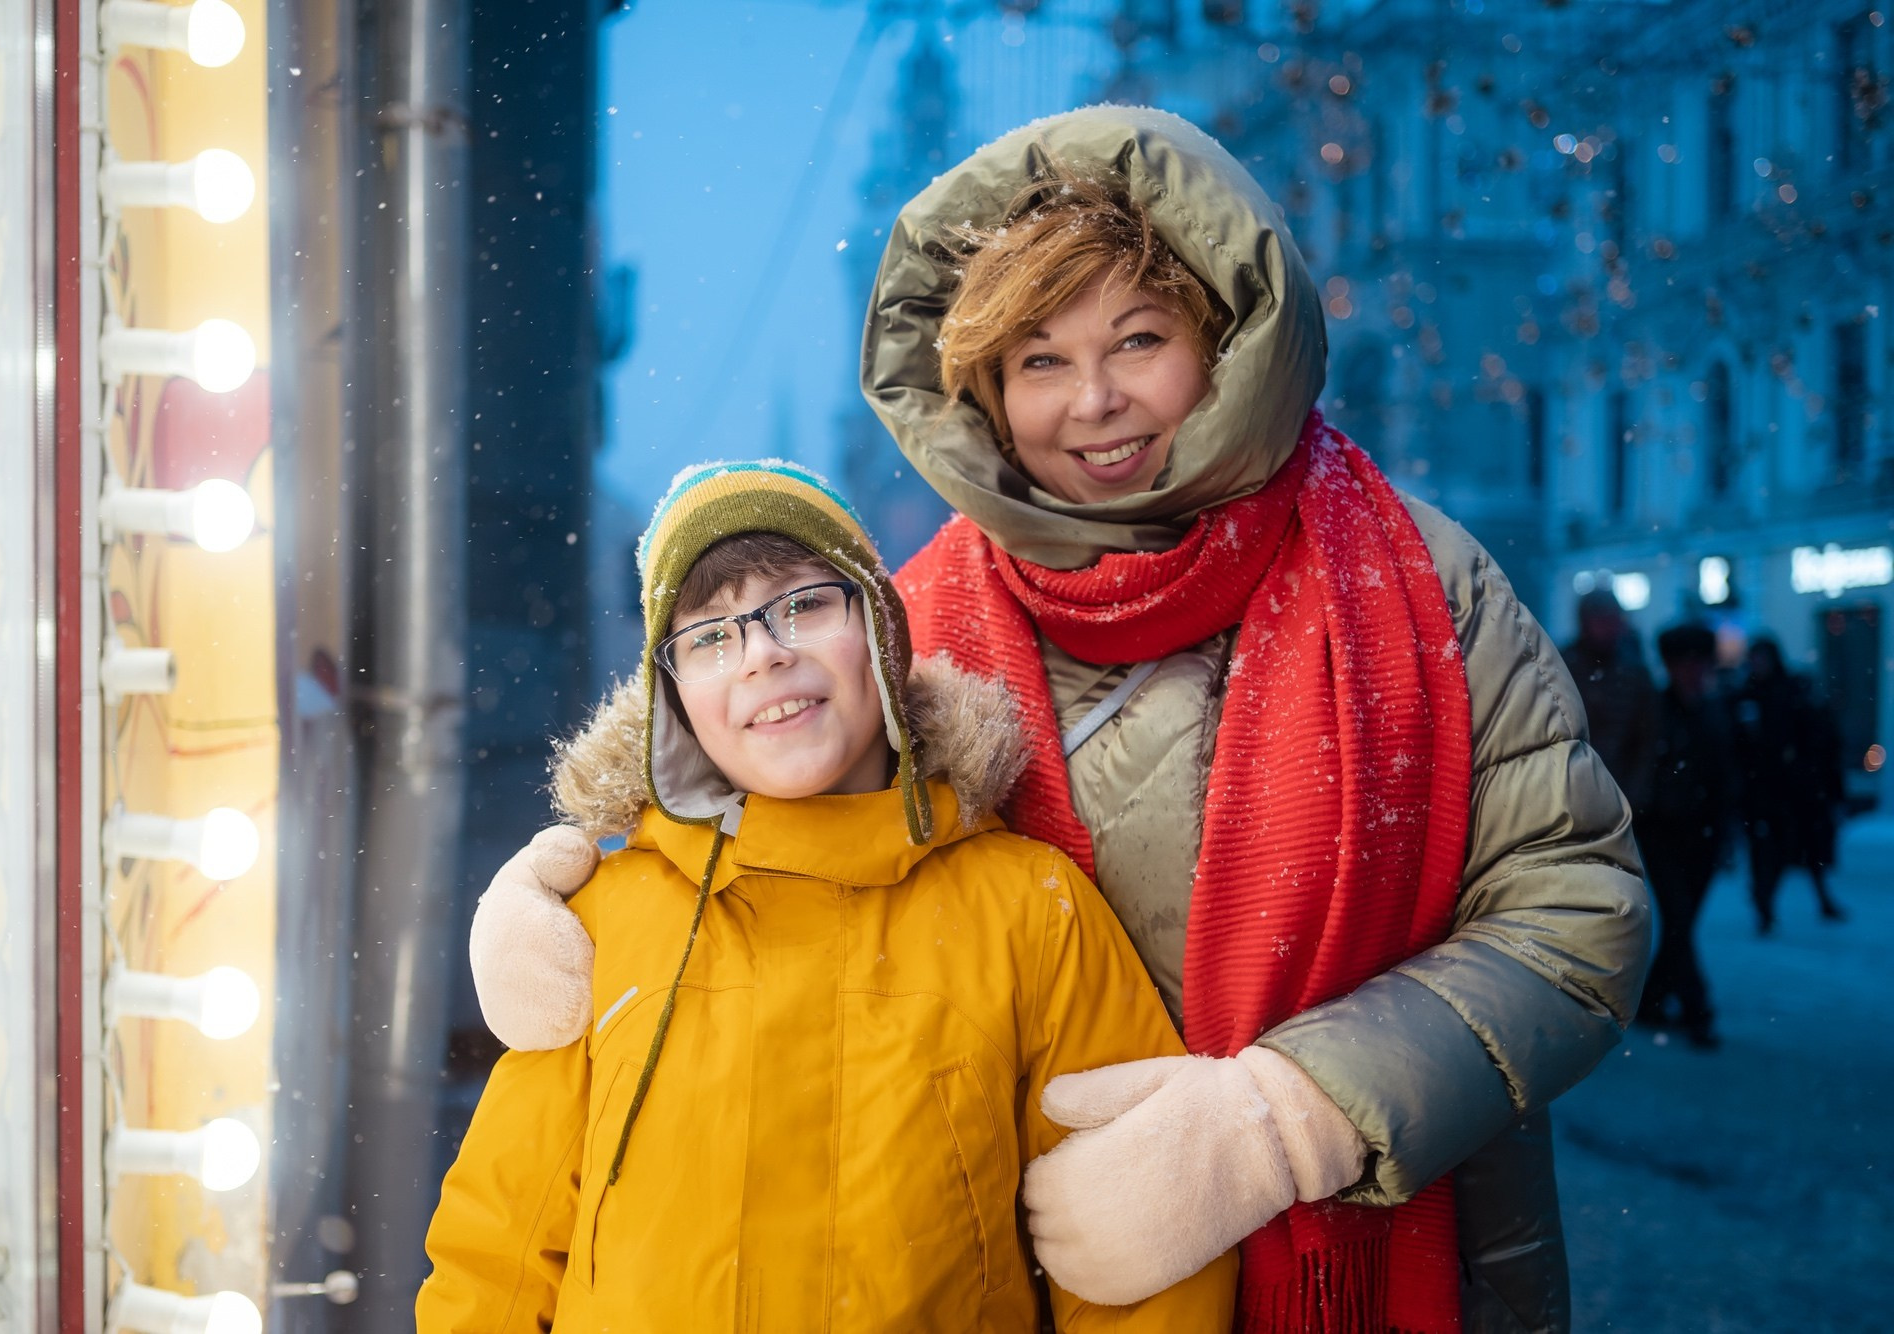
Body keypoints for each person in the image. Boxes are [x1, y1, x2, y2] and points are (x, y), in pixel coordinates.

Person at [470, 108, 1650, 1334]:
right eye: (1036, 361)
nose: (1092, 401)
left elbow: (1575, 913)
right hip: (1031, 1279)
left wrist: (1287, 1117)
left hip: (1380, 1242)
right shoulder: (907, 621)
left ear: (1224, 341)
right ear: (980, 391)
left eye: (1137, 340)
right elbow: (780, 843)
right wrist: (575, 910)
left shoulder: (1415, 582)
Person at [417, 461, 1240, 1331]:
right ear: (676, 702)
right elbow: (495, 1253)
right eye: (709, 636)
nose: (764, 653)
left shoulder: (1028, 910)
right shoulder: (602, 921)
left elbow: (1140, 1252)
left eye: (803, 605)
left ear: (882, 634)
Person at [1632, 623, 1735, 1048]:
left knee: (1683, 922)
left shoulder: (1715, 710)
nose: (1694, 672)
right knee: (1678, 918)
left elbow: (1727, 773)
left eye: (1700, 663)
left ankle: (1652, 999)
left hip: (1703, 832)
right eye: (1685, 663)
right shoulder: (1658, 709)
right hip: (1662, 829)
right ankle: (1698, 1010)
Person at [1732, 635, 1848, 932]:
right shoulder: (1747, 696)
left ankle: (1780, 904)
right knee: (1769, 853)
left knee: (1797, 849)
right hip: (1763, 792)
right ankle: (1765, 907)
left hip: (1793, 791)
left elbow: (1817, 738)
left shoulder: (1788, 692)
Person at [1561, 587, 1660, 807]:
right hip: (1574, 786)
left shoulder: (1634, 672)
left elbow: (1646, 737)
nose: (1608, 627)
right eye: (1601, 620)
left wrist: (1635, 792)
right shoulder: (1564, 666)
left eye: (1612, 619)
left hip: (1622, 786)